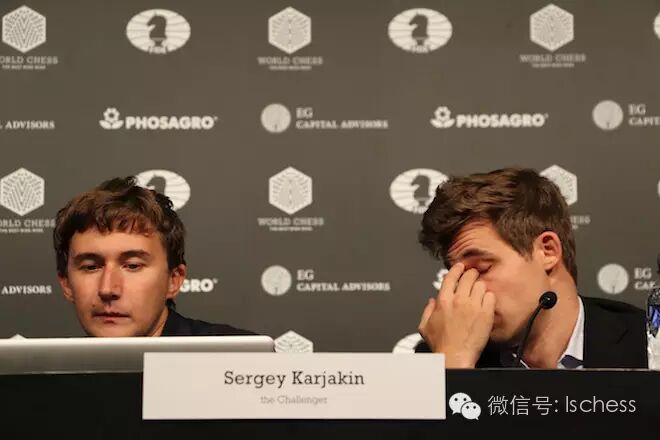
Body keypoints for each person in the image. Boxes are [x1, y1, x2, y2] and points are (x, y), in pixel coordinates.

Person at [416, 167, 647, 369]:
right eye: (458, 276)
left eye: (483, 268)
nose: (465, 294)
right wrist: (454, 363)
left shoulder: (647, 344)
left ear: (548, 251)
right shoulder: (441, 355)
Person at [53, 176, 254, 337]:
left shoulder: (239, 361)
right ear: (66, 283)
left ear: (174, 280)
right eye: (91, 267)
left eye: (133, 266)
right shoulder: (47, 374)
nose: (108, 289)